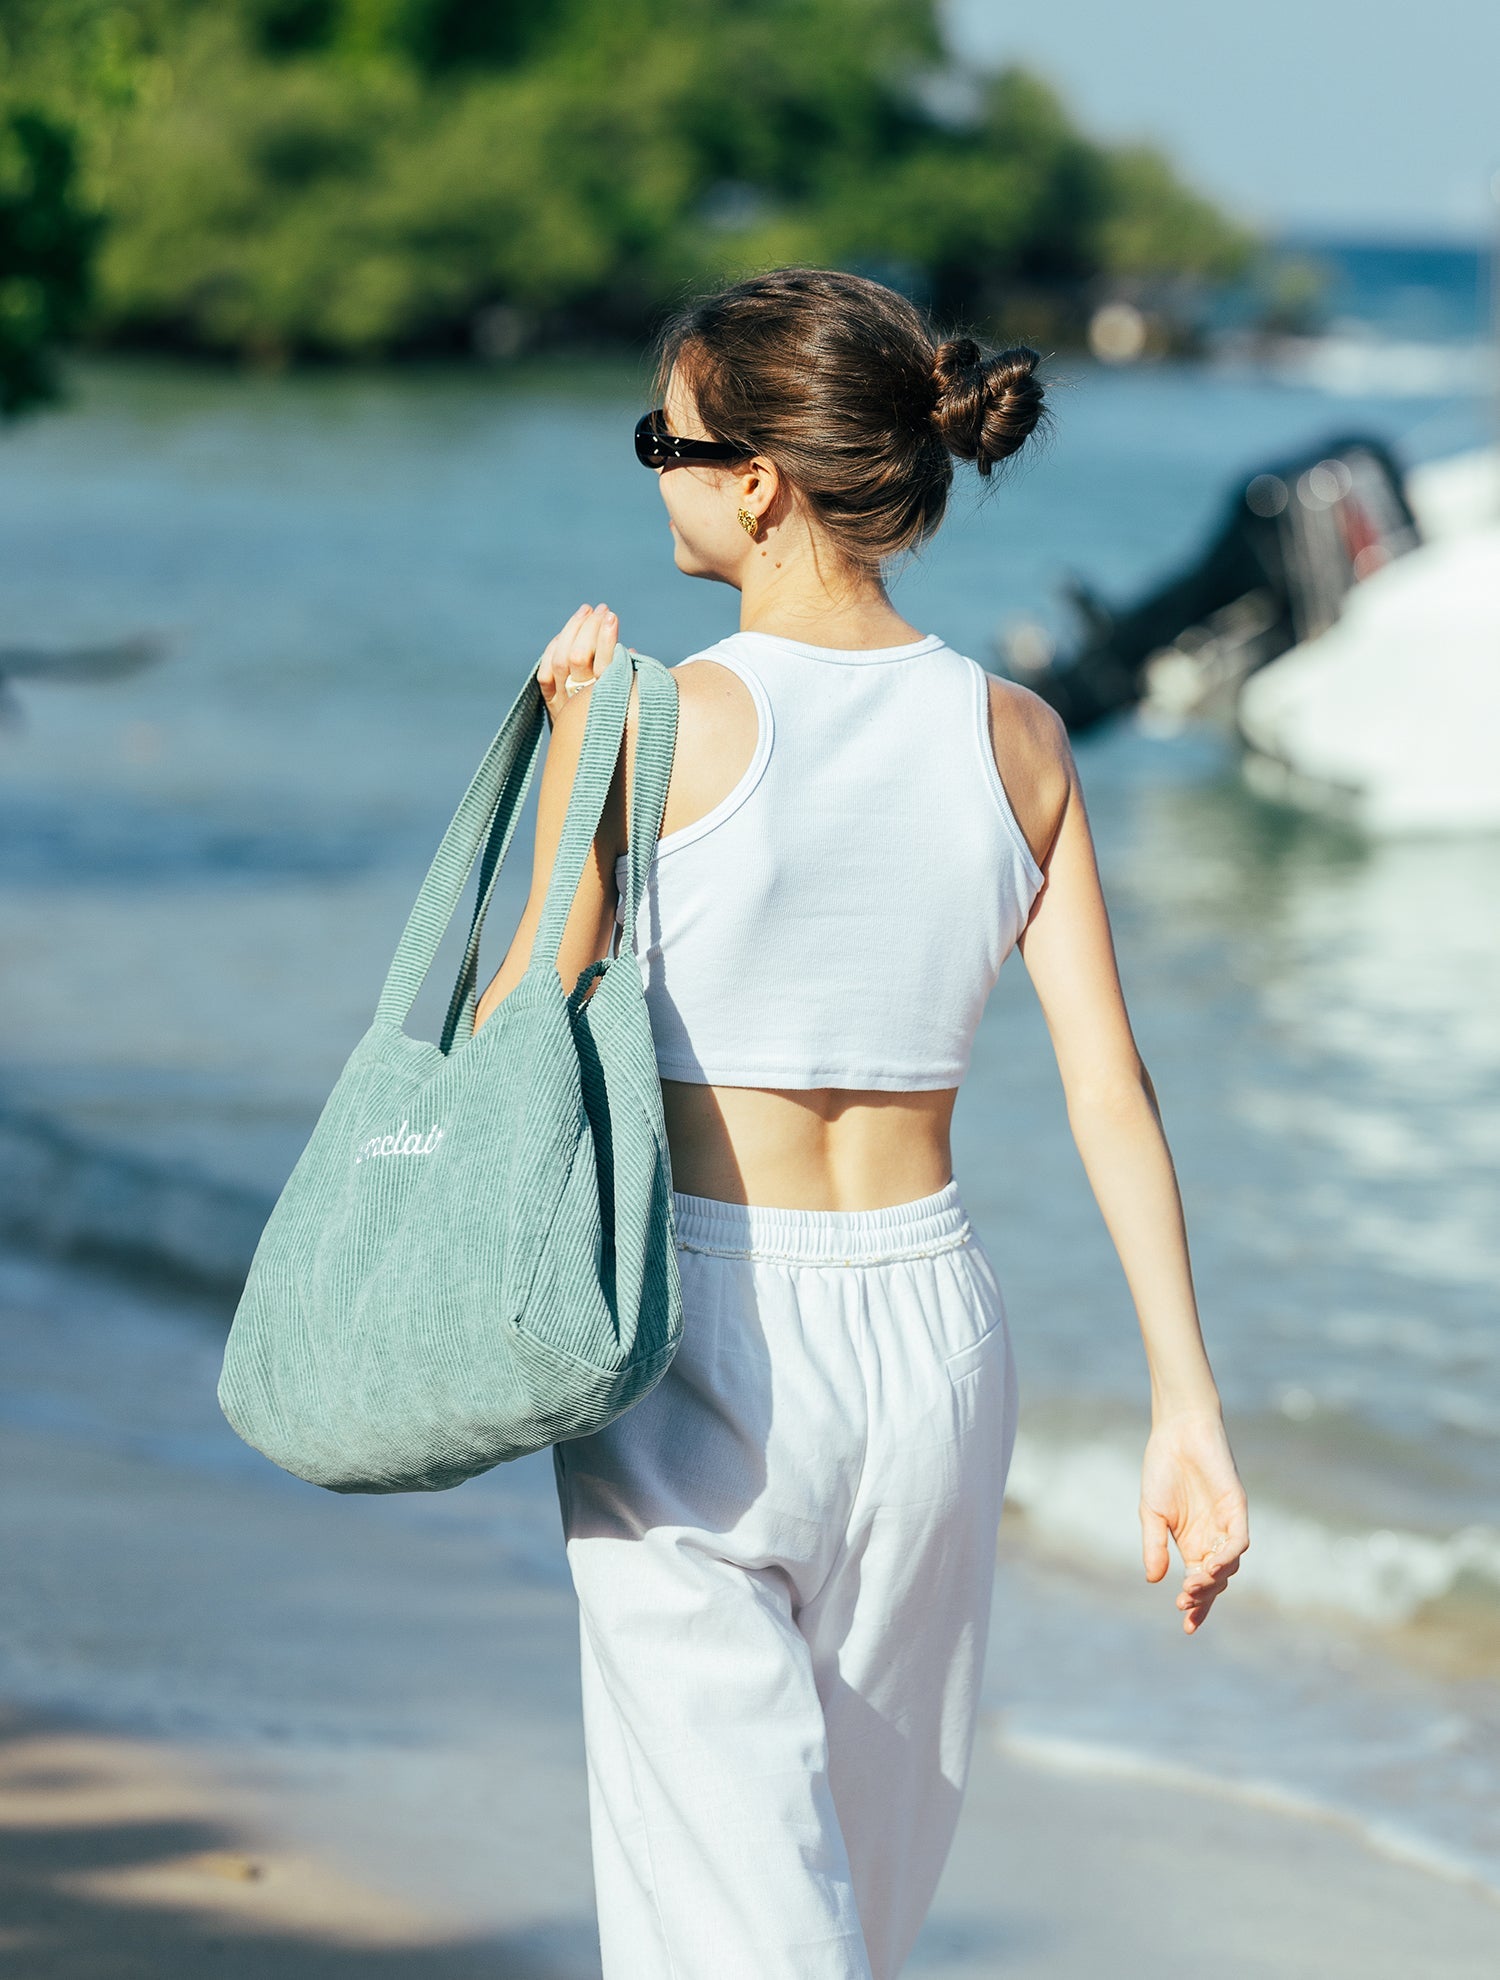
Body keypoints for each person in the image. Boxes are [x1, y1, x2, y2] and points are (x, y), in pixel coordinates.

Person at [475, 267, 1249, 1980]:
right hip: (934, 1344)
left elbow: (510, 1036)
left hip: (695, 1331)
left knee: (731, 1919)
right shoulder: (1020, 734)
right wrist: (1184, 1405)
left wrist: (561, 764)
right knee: (855, 1919)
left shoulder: (649, 722)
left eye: (664, 441)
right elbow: (1110, 1088)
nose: (653, 472)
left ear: (756, 484)